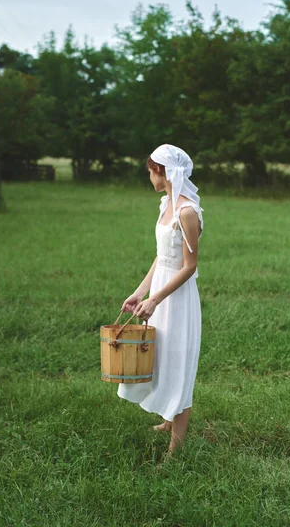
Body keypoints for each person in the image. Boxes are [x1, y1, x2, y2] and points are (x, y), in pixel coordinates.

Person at [117, 143, 204, 461]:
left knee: (178, 363)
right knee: (162, 357)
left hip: (176, 300)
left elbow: (189, 266)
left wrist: (156, 297)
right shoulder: (165, 204)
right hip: (158, 295)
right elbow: (161, 257)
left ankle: (175, 450)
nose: (149, 179)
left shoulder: (186, 212)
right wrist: (141, 291)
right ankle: (168, 420)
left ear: (160, 171)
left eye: (149, 172)